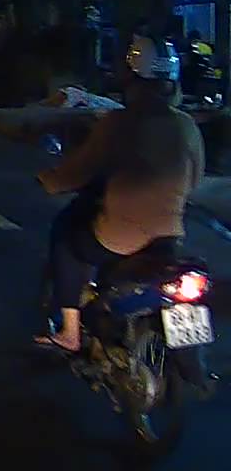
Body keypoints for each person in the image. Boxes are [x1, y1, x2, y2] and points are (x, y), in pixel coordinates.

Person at [34, 36, 204, 352]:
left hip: (119, 240)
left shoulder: (118, 123)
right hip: (169, 237)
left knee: (66, 235)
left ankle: (70, 332)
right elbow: (195, 179)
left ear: (131, 78)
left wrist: (49, 180)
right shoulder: (187, 125)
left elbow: (78, 171)